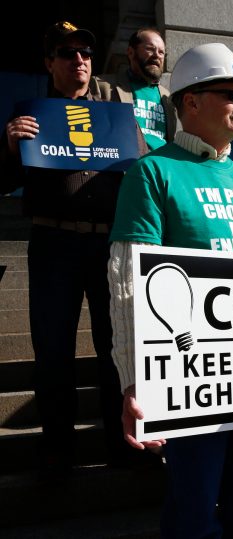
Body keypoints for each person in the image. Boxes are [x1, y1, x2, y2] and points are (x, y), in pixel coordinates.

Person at [108, 43, 233, 538]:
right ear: (190, 101)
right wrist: (132, 379)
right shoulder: (152, 172)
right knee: (192, 516)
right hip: (189, 383)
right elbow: (127, 279)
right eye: (231, 94)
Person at [0, 20, 148, 477]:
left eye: (85, 52)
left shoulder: (116, 116)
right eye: (67, 53)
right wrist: (9, 148)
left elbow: (142, 172)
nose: (79, 60)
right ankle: (57, 450)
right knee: (53, 350)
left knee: (115, 347)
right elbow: (6, 182)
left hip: (107, 243)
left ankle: (121, 445)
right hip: (52, 241)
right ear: (50, 63)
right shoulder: (32, 116)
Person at [97, 27, 176, 149]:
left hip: (161, 165)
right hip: (126, 164)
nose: (157, 56)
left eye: (161, 52)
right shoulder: (103, 86)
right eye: (150, 49)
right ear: (131, 52)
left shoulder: (167, 97)